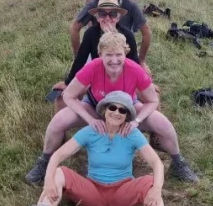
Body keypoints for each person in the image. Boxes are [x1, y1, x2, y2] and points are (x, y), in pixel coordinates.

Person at [1, 91, 196, 206]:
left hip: (123, 192)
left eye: (122, 110)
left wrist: (156, 189)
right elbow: (58, 155)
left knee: (149, 181)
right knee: (60, 172)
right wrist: (48, 183)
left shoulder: (132, 134)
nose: (117, 112)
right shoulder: (91, 131)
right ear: (104, 109)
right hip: (93, 191)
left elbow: (156, 163)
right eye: (113, 107)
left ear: (127, 115)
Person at [25, 32, 199, 186]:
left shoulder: (135, 70)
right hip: (95, 107)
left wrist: (137, 121)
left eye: (118, 55)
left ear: (126, 54)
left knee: (164, 124)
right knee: (59, 121)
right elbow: (69, 95)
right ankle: (45, 162)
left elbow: (152, 100)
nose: (114, 60)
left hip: (126, 110)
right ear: (100, 54)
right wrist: (90, 120)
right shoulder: (92, 67)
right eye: (108, 55)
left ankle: (178, 163)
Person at [70, 0, 151, 63]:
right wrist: (77, 56)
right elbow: (75, 27)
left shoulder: (131, 5)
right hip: (97, 50)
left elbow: (146, 32)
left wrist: (141, 60)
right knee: (79, 72)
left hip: (124, 49)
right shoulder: (93, 4)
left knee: (141, 75)